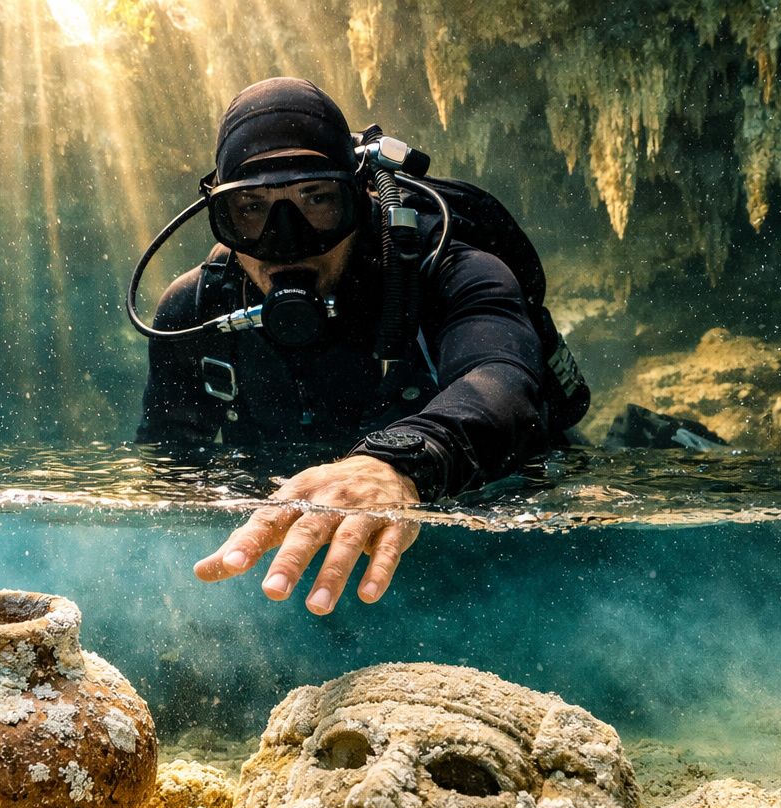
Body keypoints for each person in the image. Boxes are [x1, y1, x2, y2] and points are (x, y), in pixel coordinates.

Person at [132, 77, 587, 615]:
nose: (287, 240)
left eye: (318, 200)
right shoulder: (194, 313)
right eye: (252, 209)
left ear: (362, 196)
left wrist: (393, 466)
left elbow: (503, 381)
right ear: (222, 218)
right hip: (303, 568)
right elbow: (169, 465)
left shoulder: (450, 273)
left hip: (496, 546)